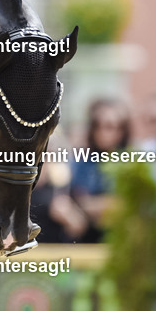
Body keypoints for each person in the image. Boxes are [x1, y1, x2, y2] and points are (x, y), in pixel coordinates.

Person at [49, 98, 132, 243]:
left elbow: (126, 205)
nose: (102, 132)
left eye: (110, 126)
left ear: (122, 130)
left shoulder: (130, 163)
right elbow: (63, 199)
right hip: (83, 236)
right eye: (97, 126)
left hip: (118, 237)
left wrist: (95, 205)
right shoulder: (80, 161)